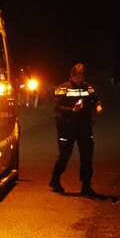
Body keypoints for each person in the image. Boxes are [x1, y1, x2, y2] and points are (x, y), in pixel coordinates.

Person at [50, 62, 103, 196]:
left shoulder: (88, 87)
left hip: (84, 127)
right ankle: (55, 180)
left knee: (87, 156)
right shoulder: (63, 88)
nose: (80, 79)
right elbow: (56, 107)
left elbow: (95, 98)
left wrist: (98, 105)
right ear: (72, 75)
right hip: (67, 127)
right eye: (77, 76)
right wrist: (71, 110)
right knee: (64, 156)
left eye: (82, 76)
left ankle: (86, 185)